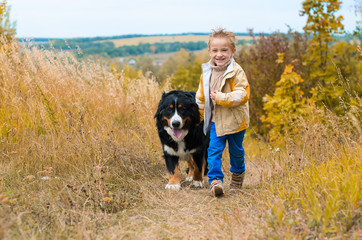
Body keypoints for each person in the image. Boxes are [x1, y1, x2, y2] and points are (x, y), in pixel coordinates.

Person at [196, 28, 250, 197]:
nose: (219, 54)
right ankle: (215, 181)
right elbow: (201, 95)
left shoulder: (236, 72)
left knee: (236, 151)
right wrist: (200, 111)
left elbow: (243, 95)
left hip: (235, 121)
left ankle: (237, 175)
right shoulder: (207, 71)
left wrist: (221, 97)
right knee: (213, 151)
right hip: (215, 121)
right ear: (209, 51)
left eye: (224, 50)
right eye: (215, 50)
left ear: (233, 51)